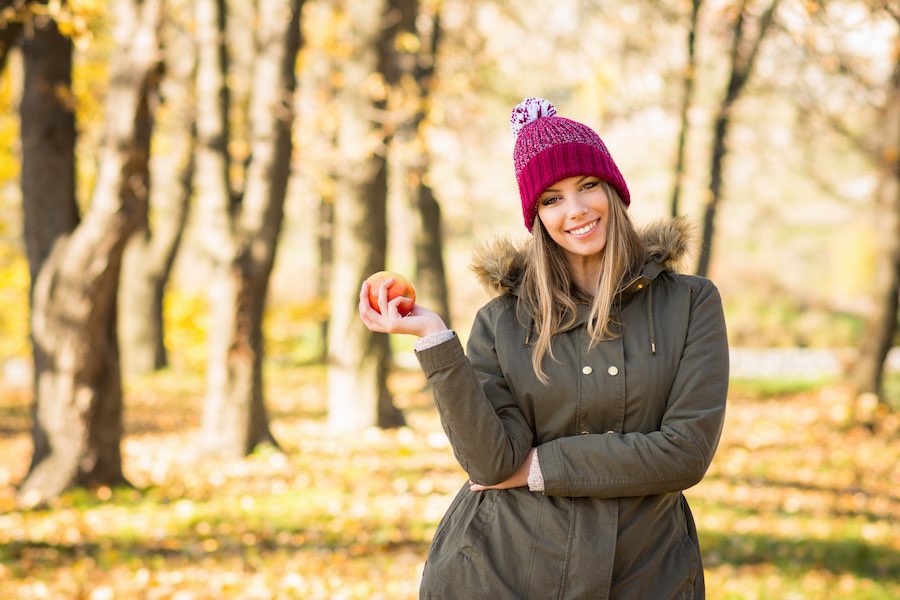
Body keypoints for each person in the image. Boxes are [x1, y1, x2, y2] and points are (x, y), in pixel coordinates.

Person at [359, 97, 729, 599]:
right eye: (551, 199)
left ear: (613, 190)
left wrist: (537, 467)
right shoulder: (501, 322)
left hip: (648, 575)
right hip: (502, 571)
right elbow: (490, 465)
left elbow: (684, 454)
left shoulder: (690, 303)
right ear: (535, 216)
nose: (575, 211)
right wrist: (434, 339)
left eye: (587, 186)